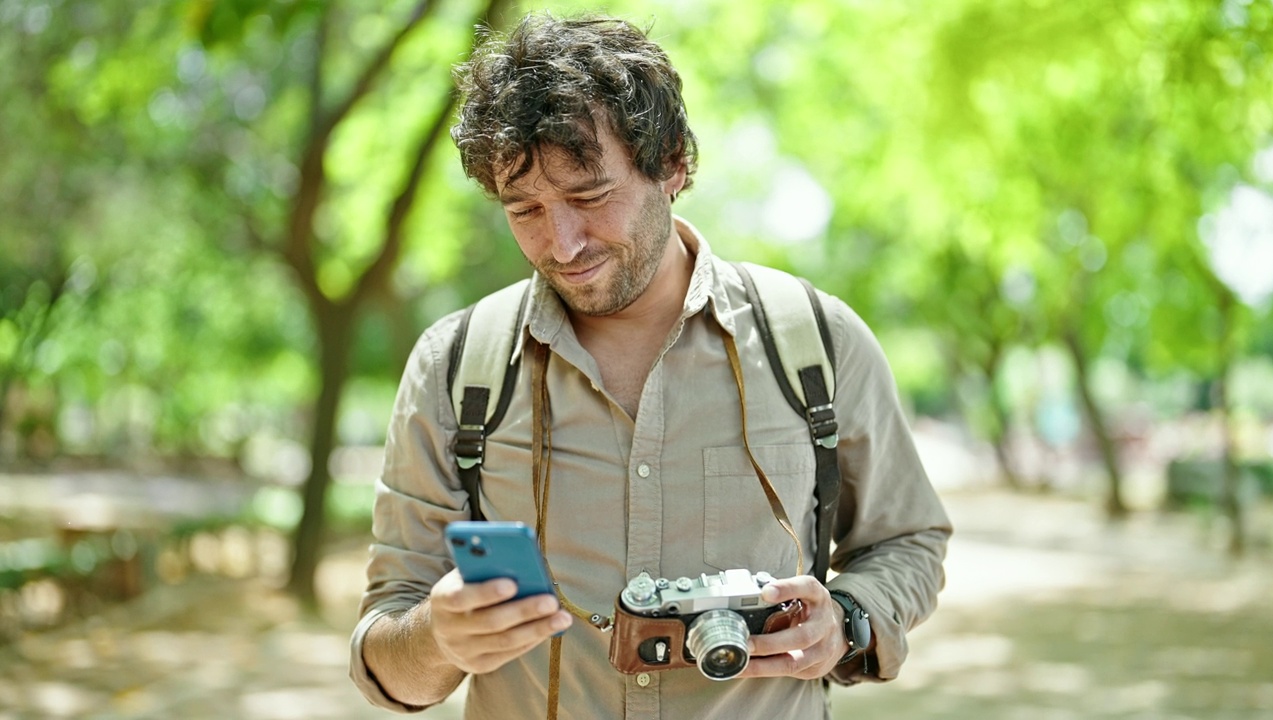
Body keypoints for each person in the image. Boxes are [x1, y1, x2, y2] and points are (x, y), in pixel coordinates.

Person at [350, 12, 950, 719]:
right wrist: (437, 639)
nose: (562, 243)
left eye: (589, 196)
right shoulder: (455, 368)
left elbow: (908, 542)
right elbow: (388, 656)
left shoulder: (817, 343)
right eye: (525, 209)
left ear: (672, 164)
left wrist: (846, 618)